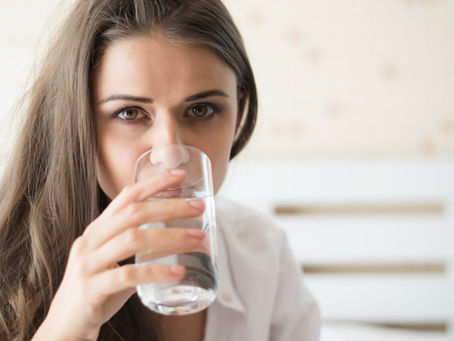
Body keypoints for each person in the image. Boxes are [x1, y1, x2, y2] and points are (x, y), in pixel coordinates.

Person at [0, 0, 320, 340]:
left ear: (238, 108)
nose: (170, 155)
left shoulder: (263, 254)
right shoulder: (8, 266)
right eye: (130, 113)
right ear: (77, 122)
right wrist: (63, 330)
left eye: (201, 109)